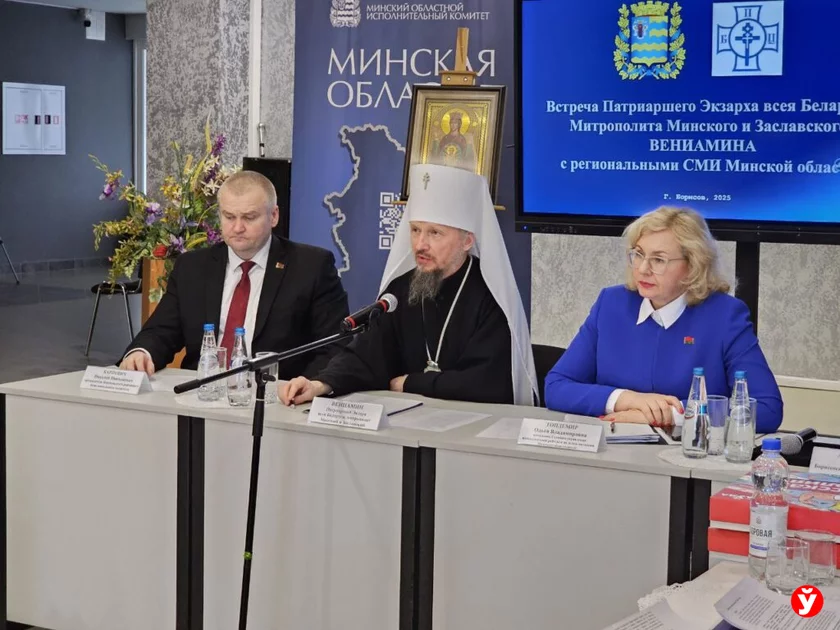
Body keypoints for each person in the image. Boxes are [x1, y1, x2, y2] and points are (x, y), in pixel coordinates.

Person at [280, 163, 538, 407]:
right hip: (411, 422)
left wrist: (412, 383)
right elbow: (366, 356)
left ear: (467, 241)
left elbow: (486, 382)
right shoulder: (401, 290)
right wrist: (320, 384)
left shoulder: (491, 297)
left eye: (434, 233)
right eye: (415, 230)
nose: (420, 244)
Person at [544, 206, 783, 433]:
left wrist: (668, 414)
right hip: (612, 449)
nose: (643, 269)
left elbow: (767, 408)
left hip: (689, 453)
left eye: (658, 259)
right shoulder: (611, 304)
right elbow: (556, 387)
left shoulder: (725, 315)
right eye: (638, 255)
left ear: (693, 265)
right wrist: (625, 399)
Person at [120, 170, 349, 380]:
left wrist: (306, 385)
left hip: (277, 397)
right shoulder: (192, 266)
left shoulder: (312, 267)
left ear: (274, 216)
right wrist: (142, 352)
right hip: (202, 393)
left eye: (249, 217)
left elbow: (335, 346)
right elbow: (161, 331)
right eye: (229, 217)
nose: (238, 228)